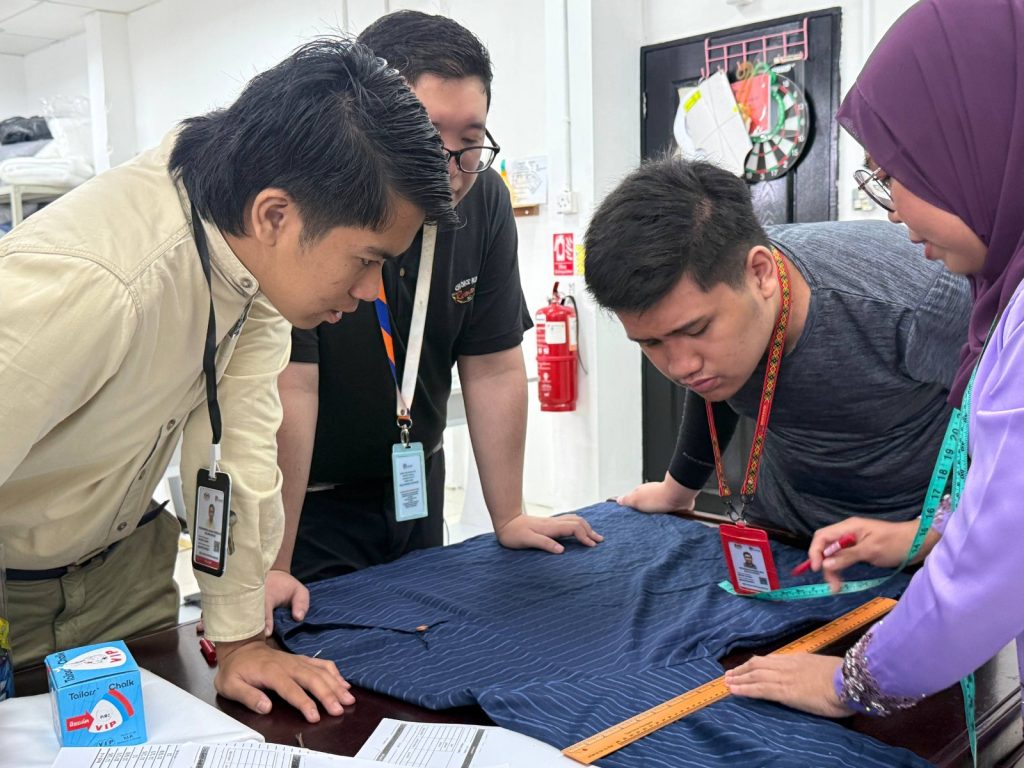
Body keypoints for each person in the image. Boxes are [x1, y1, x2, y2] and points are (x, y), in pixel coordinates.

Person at [0, 39, 455, 723]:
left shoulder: (246, 258)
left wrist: (242, 640)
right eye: (366, 259)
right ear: (275, 215)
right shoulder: (99, 283)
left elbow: (242, 452)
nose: (370, 291)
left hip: (123, 568)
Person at [724, 0, 1024, 720]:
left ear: (976, 143)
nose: (892, 211)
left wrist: (853, 682)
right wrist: (924, 536)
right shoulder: (1006, 292)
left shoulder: (911, 304)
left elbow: (1006, 550)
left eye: (895, 174)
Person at [268, 11, 601, 626]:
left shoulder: (485, 197)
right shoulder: (315, 201)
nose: (448, 165)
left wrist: (508, 515)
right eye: (427, 135)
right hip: (306, 503)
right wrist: (276, 561)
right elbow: (294, 386)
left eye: (469, 140)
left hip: (412, 486)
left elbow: (494, 363)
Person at [583, 157, 970, 539]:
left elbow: (1000, 438)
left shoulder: (923, 301)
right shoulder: (721, 307)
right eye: (651, 342)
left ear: (760, 274)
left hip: (913, 536)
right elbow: (713, 389)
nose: (682, 367)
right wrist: (677, 489)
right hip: (780, 526)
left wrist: (933, 533)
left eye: (697, 329)